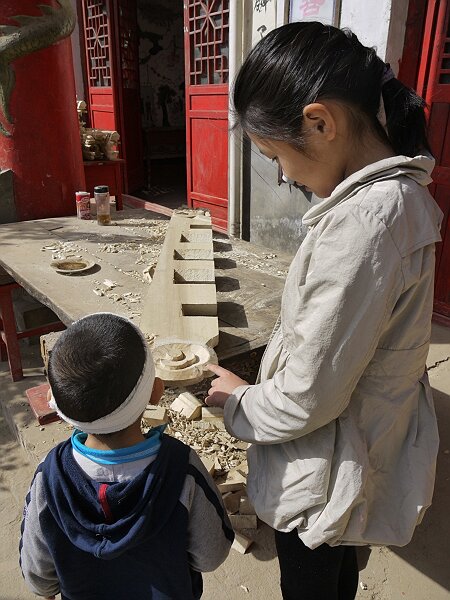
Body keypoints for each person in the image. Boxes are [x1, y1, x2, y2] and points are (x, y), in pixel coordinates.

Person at [206, 21, 443, 600]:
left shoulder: (365, 226)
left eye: (274, 155)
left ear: (320, 122)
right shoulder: (403, 198)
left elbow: (307, 399)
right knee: (340, 567)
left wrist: (234, 400)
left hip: (326, 466)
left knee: (314, 571)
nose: (283, 174)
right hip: (361, 443)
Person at [20, 313, 233, 600]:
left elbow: (39, 581)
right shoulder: (181, 469)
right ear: (156, 392)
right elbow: (210, 557)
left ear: (57, 405)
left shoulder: (50, 477)